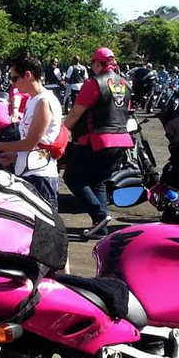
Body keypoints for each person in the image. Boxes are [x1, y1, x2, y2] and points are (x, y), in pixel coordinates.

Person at [0, 54, 63, 210]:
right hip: (29, 173)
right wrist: (14, 155)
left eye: (15, 78)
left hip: (41, 177)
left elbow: (30, 143)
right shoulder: (32, 100)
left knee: (44, 231)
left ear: (28, 75)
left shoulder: (44, 101)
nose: (12, 84)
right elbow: (32, 141)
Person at [63, 47, 132, 238]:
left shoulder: (94, 83)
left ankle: (99, 214)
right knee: (97, 182)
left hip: (97, 140)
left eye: (93, 63)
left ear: (97, 64)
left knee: (73, 177)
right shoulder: (125, 84)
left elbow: (76, 113)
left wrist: (60, 132)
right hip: (121, 141)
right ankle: (100, 227)